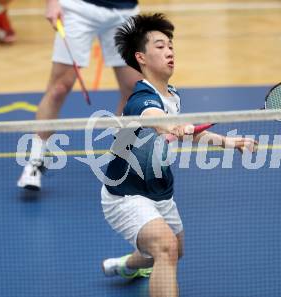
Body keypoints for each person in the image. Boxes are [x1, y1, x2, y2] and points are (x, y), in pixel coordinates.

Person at [100, 13, 256, 297]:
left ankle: (127, 265)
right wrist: (172, 126)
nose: (169, 51)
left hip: (160, 193)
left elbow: (188, 130)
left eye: (170, 45)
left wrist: (228, 143)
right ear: (141, 57)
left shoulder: (171, 95)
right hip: (126, 196)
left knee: (173, 250)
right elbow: (155, 119)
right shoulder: (141, 99)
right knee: (166, 248)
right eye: (160, 46)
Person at [17, 0, 142, 191]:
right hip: (78, 8)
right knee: (59, 88)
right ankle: (36, 160)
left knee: (133, 88)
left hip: (124, 12)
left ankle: (121, 156)